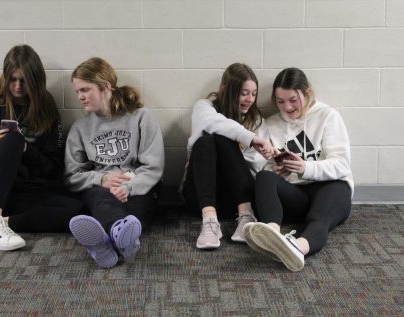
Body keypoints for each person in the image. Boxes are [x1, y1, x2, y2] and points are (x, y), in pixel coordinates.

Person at [0, 44, 84, 251]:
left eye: (24, 81)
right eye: (12, 80)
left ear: (36, 81)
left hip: (24, 193)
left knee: (78, 211)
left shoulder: (47, 112)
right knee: (12, 139)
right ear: (5, 78)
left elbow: (54, 169)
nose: (17, 87)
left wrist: (27, 150)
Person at [244, 67, 353, 272]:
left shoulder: (327, 115)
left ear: (307, 93)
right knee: (264, 177)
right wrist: (278, 169)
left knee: (320, 217)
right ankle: (272, 234)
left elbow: (341, 164)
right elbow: (263, 164)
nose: (287, 107)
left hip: (329, 188)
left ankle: (297, 248)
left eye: (293, 100)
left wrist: (305, 167)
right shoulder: (271, 124)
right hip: (297, 195)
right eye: (280, 101)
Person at [65, 57, 164, 268]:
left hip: (138, 187)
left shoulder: (141, 117)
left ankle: (104, 245)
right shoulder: (80, 128)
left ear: (105, 86)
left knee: (135, 212)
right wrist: (102, 179)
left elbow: (153, 168)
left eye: (85, 89)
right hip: (100, 190)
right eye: (77, 92)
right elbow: (71, 177)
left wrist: (128, 187)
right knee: (101, 198)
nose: (80, 97)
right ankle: (119, 237)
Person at [181, 63, 274, 250]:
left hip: (236, 198)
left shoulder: (256, 121)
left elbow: (256, 168)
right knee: (208, 140)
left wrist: (230, 155)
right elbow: (213, 123)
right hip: (200, 199)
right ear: (225, 90)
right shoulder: (204, 107)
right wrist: (250, 139)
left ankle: (246, 217)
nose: (250, 99)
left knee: (223, 140)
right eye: (244, 93)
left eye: (254, 93)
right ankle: (209, 222)